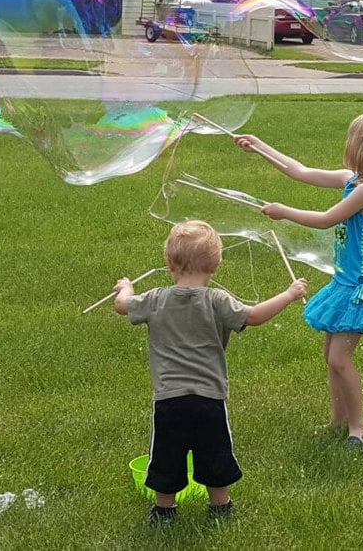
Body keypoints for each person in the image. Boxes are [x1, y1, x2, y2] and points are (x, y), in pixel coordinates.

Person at [113, 220, 307, 526]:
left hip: (169, 400)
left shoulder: (154, 299)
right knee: (215, 453)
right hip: (209, 398)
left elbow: (122, 306)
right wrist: (289, 294)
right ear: (216, 264)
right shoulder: (217, 301)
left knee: (166, 455)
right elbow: (254, 316)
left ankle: (164, 511)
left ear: (168, 263)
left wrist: (126, 288)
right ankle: (221, 507)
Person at [234, 112, 363, 448]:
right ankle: (338, 421)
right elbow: (299, 171)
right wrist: (259, 147)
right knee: (331, 353)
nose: (348, 145)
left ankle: (359, 427)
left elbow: (327, 220)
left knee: (339, 358)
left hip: (362, 288)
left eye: (353, 140)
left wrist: (284, 211)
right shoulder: (353, 179)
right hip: (345, 282)